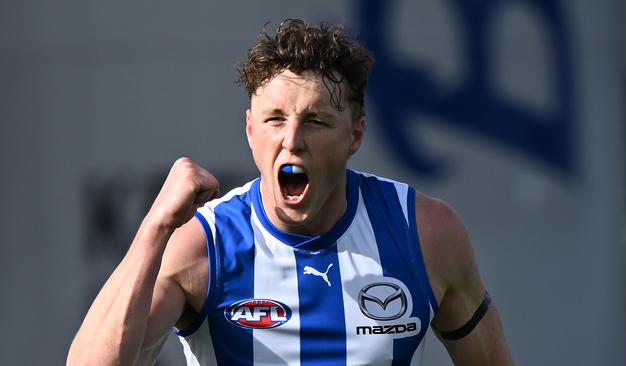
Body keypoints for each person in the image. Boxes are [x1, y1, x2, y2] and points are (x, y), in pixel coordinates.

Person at [68, 19, 513, 365]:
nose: (292, 139)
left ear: (355, 136)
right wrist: (155, 227)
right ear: (249, 130)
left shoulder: (426, 235)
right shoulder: (203, 247)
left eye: (315, 121)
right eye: (275, 119)